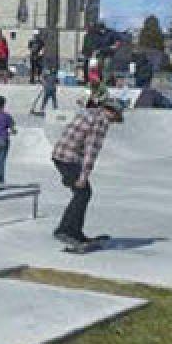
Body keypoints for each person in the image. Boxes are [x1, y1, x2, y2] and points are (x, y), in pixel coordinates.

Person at [50, 96, 123, 247]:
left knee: (82, 193)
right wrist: (83, 177)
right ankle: (65, 230)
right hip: (69, 158)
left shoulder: (90, 113)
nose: (114, 121)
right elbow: (91, 151)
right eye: (115, 117)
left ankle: (75, 232)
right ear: (112, 112)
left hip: (61, 154)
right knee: (83, 193)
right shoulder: (100, 122)